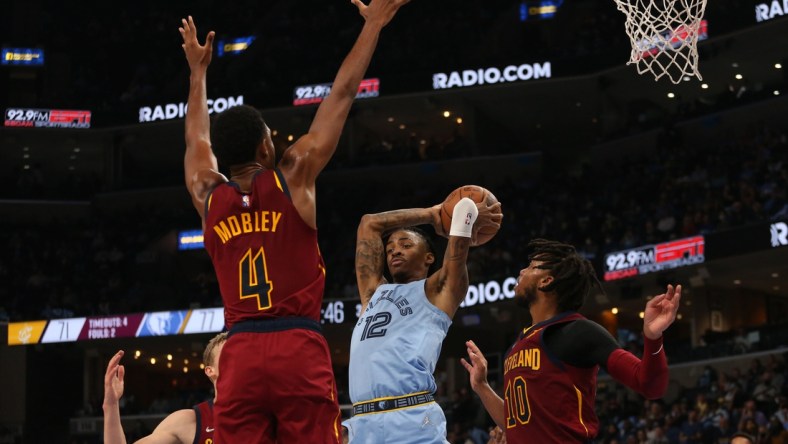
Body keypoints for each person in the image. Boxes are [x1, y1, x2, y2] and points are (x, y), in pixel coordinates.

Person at [179, 1, 410, 442]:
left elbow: (196, 137)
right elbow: (341, 95)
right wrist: (374, 25)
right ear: (266, 149)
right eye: (271, 136)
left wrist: (197, 73)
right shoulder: (294, 175)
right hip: (296, 345)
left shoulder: (207, 195)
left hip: (239, 351)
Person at [461, 238, 681, 443]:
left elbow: (650, 386)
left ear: (546, 281)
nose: (522, 271)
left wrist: (652, 338)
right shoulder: (517, 345)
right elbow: (516, 424)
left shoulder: (578, 331)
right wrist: (481, 386)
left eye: (531, 267)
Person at [343, 198, 503, 443]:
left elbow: (465, 208)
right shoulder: (372, 292)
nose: (395, 250)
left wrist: (458, 219)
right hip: (363, 423)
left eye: (406, 245)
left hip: (411, 418)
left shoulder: (439, 291)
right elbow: (370, 223)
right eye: (390, 249)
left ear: (429, 258)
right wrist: (431, 214)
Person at [102, 332, 227, 444]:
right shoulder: (188, 421)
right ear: (210, 371)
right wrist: (111, 406)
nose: (237, 360)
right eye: (229, 355)